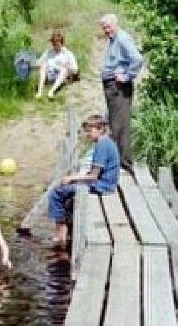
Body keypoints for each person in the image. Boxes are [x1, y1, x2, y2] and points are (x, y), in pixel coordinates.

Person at [48, 114, 120, 246]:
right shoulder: (107, 142)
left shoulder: (102, 146)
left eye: (90, 130)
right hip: (106, 183)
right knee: (67, 191)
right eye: (86, 130)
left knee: (56, 193)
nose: (87, 134)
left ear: (100, 129)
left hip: (103, 186)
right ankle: (64, 225)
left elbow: (93, 176)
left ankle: (61, 230)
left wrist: (72, 177)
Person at [99, 13, 144, 176]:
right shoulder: (114, 39)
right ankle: (118, 162)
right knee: (115, 123)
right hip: (113, 87)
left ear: (115, 24)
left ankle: (123, 164)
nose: (105, 30)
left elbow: (137, 59)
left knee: (120, 125)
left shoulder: (122, 38)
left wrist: (127, 75)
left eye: (107, 26)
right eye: (103, 28)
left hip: (118, 87)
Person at [35, 32, 79, 99]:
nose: (55, 45)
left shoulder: (68, 54)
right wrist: (39, 64)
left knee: (64, 69)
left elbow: (75, 69)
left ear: (61, 43)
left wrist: (68, 67)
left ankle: (51, 92)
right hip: (49, 73)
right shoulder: (48, 52)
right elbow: (38, 63)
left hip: (60, 75)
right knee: (43, 65)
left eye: (56, 43)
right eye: (53, 43)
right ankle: (39, 91)